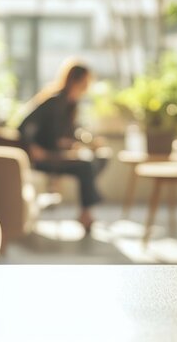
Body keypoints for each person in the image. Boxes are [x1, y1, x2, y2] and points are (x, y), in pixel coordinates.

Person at [17, 60, 107, 233]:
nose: (88, 86)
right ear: (76, 80)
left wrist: (87, 142)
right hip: (45, 157)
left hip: (58, 155)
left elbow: (68, 134)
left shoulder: (71, 105)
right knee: (86, 166)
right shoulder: (54, 101)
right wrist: (33, 147)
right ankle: (86, 212)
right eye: (86, 81)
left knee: (101, 158)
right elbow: (23, 127)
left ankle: (87, 204)